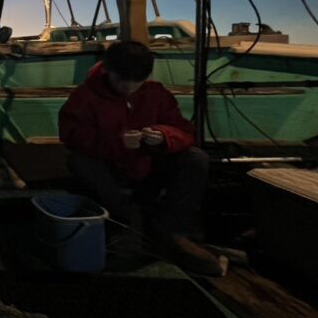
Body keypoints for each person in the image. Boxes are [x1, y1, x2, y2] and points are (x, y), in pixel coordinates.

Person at [58, 40, 222, 275]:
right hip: (110, 169)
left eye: (138, 81)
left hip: (148, 167)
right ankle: (126, 219)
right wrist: (117, 142)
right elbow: (71, 136)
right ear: (107, 70)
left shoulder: (156, 93)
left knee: (195, 158)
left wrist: (163, 137)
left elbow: (185, 131)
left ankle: (171, 230)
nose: (129, 87)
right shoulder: (85, 96)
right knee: (78, 161)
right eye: (121, 80)